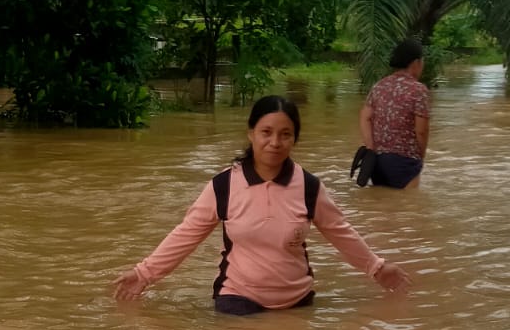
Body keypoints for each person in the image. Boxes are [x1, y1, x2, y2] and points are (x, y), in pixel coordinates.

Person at [112, 95, 409, 315]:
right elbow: (186, 234)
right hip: (237, 299)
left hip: (298, 302)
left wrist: (377, 268)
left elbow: (340, 232)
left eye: (285, 134)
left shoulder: (308, 186)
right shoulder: (224, 186)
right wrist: (143, 274)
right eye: (266, 132)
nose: (275, 142)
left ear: (295, 139)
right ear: (251, 133)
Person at [357, 38, 430, 188]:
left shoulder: (379, 86)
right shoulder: (418, 90)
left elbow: (364, 117)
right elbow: (421, 131)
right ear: (416, 63)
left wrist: (371, 148)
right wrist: (420, 158)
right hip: (405, 162)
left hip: (376, 164)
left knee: (381, 207)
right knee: (408, 208)